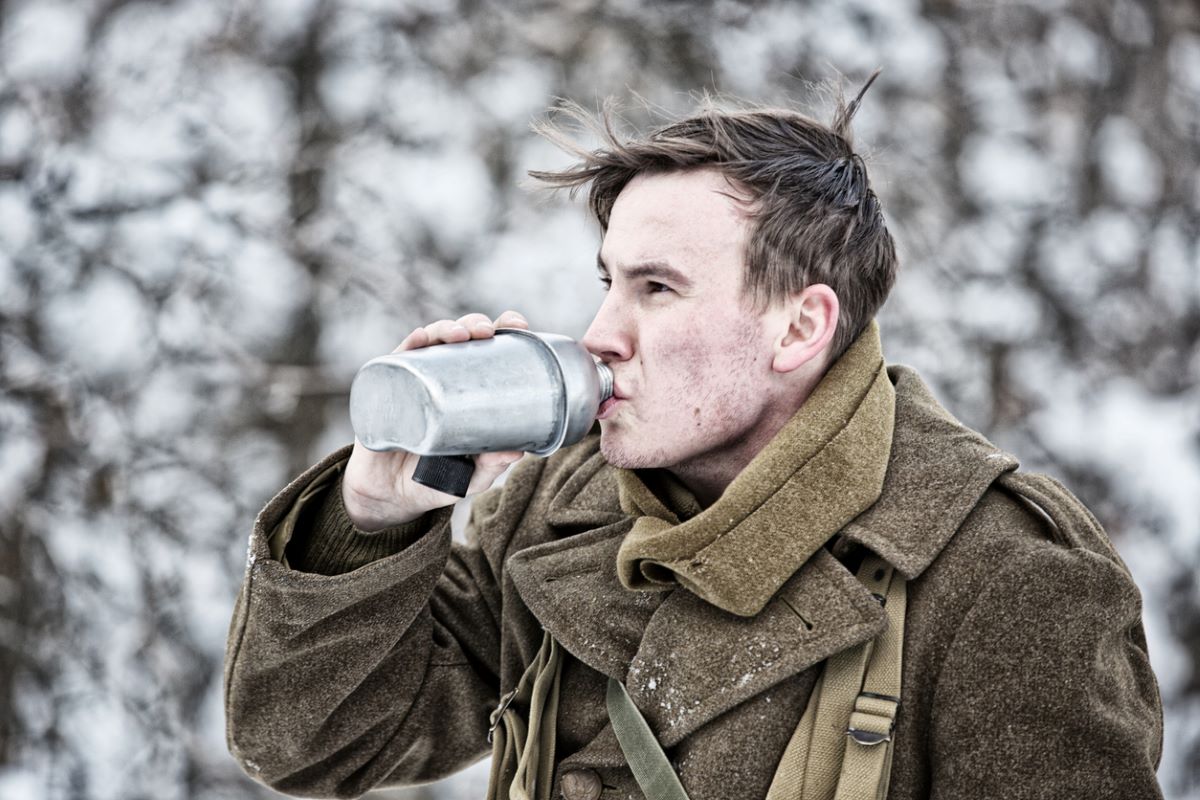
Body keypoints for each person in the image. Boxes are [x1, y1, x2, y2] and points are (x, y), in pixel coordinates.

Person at [223, 79, 1164, 800]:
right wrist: (376, 515)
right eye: (607, 282)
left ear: (799, 328)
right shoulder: (561, 507)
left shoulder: (1005, 576)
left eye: (656, 288)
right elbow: (311, 742)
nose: (600, 332)